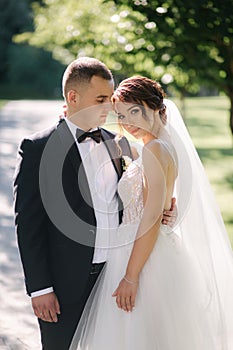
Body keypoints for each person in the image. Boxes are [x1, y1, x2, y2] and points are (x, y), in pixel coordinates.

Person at [13, 58, 175, 350]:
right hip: (64, 286)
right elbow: (28, 225)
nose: (110, 107)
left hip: (114, 277)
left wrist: (165, 207)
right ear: (73, 98)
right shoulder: (37, 148)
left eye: (110, 99)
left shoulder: (119, 143)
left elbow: (139, 195)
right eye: (101, 99)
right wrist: (40, 288)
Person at [70, 76, 233, 350]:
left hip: (143, 257)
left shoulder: (154, 149)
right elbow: (159, 200)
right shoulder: (161, 144)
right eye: (121, 115)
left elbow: (151, 217)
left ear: (155, 107)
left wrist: (131, 276)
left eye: (134, 111)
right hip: (148, 249)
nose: (128, 122)